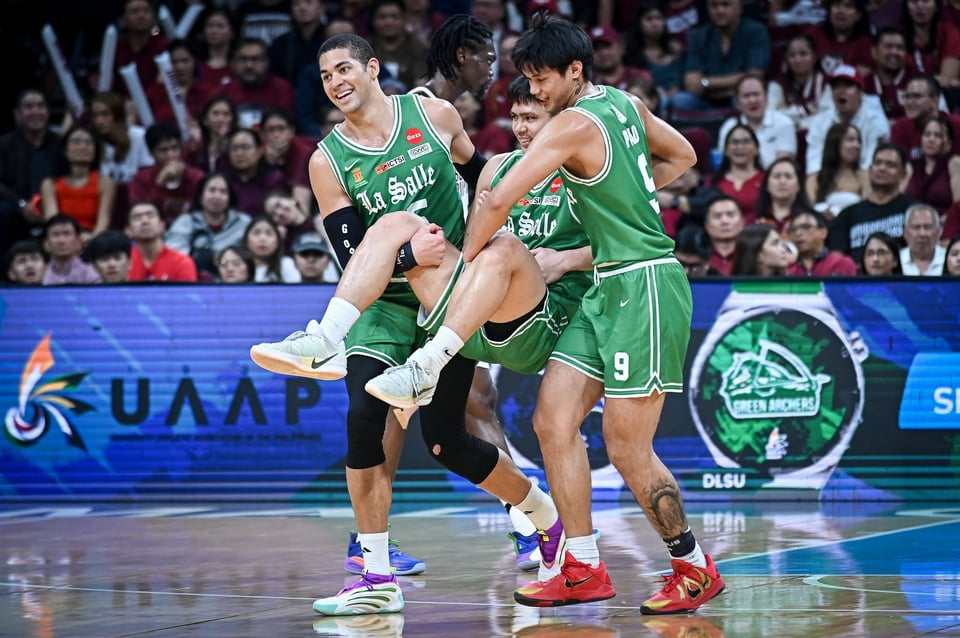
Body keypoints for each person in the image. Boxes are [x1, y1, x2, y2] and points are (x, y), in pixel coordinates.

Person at [249, 34, 563, 616]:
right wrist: (406, 259)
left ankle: (542, 516)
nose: (336, 81)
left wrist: (482, 256)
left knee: (447, 442)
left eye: (344, 68)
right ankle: (374, 575)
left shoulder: (434, 113)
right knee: (364, 420)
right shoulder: (327, 159)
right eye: (324, 76)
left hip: (451, 290)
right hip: (384, 304)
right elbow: (351, 256)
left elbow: (482, 186)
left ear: (371, 69)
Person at [455, 14, 725, 612]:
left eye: (543, 79)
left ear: (575, 70)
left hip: (645, 286)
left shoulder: (571, 124)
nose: (536, 92)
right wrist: (627, 193)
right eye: (526, 79)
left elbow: (498, 197)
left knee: (627, 447)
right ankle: (582, 567)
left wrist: (465, 266)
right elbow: (681, 155)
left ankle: (693, 566)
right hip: (604, 285)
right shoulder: (624, 104)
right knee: (552, 420)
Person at [674, 0, 770, 113]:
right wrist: (735, 81)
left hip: (738, 98)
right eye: (714, 5)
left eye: (725, 5)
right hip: (707, 101)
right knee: (680, 100)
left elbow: (754, 77)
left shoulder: (756, 32)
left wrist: (706, 83)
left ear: (739, 8)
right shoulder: (698, 36)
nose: (720, 10)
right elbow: (692, 84)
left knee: (746, 97)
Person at [829, 144, 916, 262]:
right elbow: (836, 261)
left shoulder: (913, 212)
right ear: (870, 170)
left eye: (890, 165)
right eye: (878, 163)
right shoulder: (848, 215)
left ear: (903, 174)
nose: (882, 168)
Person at [0, 89, 60, 257]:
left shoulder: (59, 144)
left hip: (53, 209)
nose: (35, 111)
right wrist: (21, 204)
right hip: (15, 209)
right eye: (28, 107)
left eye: (40, 106)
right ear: (18, 113)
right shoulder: (4, 144)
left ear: (48, 112)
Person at [804, 65, 891, 176]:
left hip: (865, 182)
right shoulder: (820, 122)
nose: (842, 91)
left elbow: (870, 164)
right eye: (837, 87)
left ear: (860, 93)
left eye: (848, 86)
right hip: (827, 182)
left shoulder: (875, 122)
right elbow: (814, 163)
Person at [165, 172, 252, 278]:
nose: (217, 196)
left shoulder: (244, 222)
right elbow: (173, 256)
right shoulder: (185, 222)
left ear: (230, 197)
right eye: (212, 190)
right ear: (200, 196)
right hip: (193, 283)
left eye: (223, 192)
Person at [39, 124, 116, 241]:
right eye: (76, 142)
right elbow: (52, 221)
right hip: (62, 239)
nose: (82, 147)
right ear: (64, 149)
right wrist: (70, 241)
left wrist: (90, 239)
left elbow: (103, 223)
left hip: (93, 239)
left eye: (88, 143)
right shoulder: (50, 184)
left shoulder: (105, 182)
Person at [128, 123, 206, 227]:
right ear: (151, 153)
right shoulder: (140, 179)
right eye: (163, 150)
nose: (171, 155)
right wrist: (159, 184)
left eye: (175, 148)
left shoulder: (196, 177)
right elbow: (140, 214)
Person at [716, 75, 797, 170]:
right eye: (746, 96)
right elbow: (725, 165)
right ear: (737, 102)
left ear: (766, 98)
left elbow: (783, 165)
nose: (752, 100)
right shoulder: (729, 127)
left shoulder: (784, 123)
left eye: (756, 94)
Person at [223, 37, 296, 130]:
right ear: (233, 63)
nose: (249, 65)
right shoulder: (224, 90)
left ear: (267, 62)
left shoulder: (281, 88)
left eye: (256, 59)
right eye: (243, 59)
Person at [767, 33, 833, 133]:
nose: (797, 60)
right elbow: (771, 116)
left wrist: (798, 123)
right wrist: (806, 111)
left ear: (814, 57)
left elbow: (827, 118)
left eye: (803, 54)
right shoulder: (777, 84)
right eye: (792, 55)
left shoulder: (826, 83)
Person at [89, 92, 154, 188]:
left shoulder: (139, 136)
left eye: (105, 114)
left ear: (118, 115)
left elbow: (149, 173)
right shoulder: (92, 142)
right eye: (95, 116)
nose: (99, 121)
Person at [806, 122, 870, 218]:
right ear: (835, 143)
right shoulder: (815, 179)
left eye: (859, 141)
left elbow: (868, 209)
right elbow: (808, 212)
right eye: (850, 140)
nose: (857, 146)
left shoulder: (865, 176)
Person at [890, 75, 960, 161]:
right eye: (907, 96)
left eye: (917, 96)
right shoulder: (900, 127)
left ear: (934, 100)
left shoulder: (956, 125)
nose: (909, 102)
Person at [126, 200, 198, 283]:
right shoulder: (122, 263)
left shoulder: (182, 263)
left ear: (162, 226)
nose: (145, 221)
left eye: (150, 216)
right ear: (129, 230)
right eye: (138, 218)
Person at [224, 128, 290, 217]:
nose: (239, 153)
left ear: (260, 150)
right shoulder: (225, 182)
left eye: (245, 148)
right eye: (234, 149)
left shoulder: (274, 179)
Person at [905, 115, 960, 217]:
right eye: (927, 134)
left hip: (946, 225)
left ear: (949, 143)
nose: (931, 139)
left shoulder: (955, 164)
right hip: (912, 225)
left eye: (938, 136)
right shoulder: (911, 166)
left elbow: (958, 207)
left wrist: (936, 225)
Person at [367, 0, 429, 91]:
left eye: (395, 17)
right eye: (382, 17)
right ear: (373, 20)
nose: (389, 22)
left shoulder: (419, 47)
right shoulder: (366, 48)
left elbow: (421, 84)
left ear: (404, 19)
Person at [712, 124, 764, 224]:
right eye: (734, 142)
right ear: (726, 150)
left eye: (746, 142)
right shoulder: (713, 182)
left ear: (756, 149)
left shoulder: (767, 180)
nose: (740, 147)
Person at [269, 0, 329, 84]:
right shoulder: (281, 43)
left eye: (309, 2)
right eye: (296, 3)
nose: (302, 8)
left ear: (322, 8)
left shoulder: (330, 38)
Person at [786, 208, 858, 275]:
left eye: (806, 227)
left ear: (823, 232)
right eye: (793, 230)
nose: (798, 233)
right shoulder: (787, 268)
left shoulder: (841, 263)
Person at [864, 27, 913, 119]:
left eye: (900, 47)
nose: (894, 52)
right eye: (888, 46)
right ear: (874, 52)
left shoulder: (919, 82)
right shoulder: (863, 85)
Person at [41, 214, 101, 285]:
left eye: (67, 234)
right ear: (46, 244)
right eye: (55, 235)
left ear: (79, 241)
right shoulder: (40, 274)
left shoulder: (91, 275)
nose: (61, 241)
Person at [185, 96, 238, 174]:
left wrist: (222, 144)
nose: (220, 119)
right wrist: (195, 145)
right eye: (215, 114)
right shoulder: (198, 145)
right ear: (205, 120)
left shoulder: (237, 145)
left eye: (226, 114)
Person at [243, 214, 302, 282]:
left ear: (278, 241)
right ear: (246, 240)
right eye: (257, 233)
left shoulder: (285, 265)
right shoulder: (239, 268)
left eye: (269, 233)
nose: (263, 239)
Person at [899, 203, 946, 275]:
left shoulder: (950, 259)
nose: (922, 234)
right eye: (916, 227)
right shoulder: (896, 260)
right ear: (905, 233)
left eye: (928, 227)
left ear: (939, 231)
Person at [704, 194, 746, 275]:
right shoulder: (700, 258)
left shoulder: (753, 257)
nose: (724, 221)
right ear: (707, 225)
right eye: (717, 216)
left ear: (742, 222)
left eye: (731, 215)